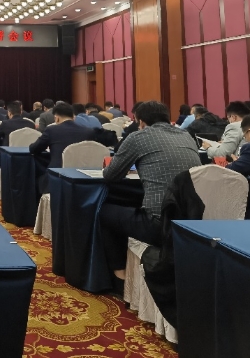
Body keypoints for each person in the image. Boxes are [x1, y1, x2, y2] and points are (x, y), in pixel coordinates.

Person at [101, 101, 201, 288]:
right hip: (192, 222)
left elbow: (110, 175)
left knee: (104, 212)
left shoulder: (138, 137)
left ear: (141, 122)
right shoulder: (187, 135)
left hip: (159, 225)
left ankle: (120, 276)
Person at [29, 102, 97, 168]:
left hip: (58, 172)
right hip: (82, 171)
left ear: (56, 118)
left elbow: (33, 149)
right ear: (74, 117)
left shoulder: (51, 130)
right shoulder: (89, 132)